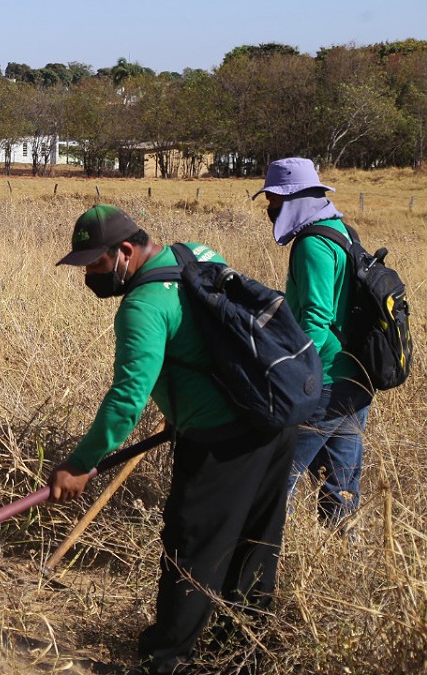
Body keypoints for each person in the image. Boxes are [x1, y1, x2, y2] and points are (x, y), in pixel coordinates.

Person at [50, 205, 297, 674]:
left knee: (192, 550)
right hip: (272, 422)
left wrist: (80, 463)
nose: (90, 277)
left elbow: (126, 399)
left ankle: (164, 661)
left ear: (125, 251)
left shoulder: (141, 308)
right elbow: (207, 335)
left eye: (96, 264)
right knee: (254, 547)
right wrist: (179, 411)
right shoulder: (195, 253)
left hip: (224, 442)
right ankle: (240, 655)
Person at [254, 157, 371, 529]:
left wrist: (290, 374)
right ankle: (343, 571)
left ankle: (258, 567)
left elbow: (316, 322)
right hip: (356, 378)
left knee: (273, 480)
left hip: (325, 382)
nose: (270, 209)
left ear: (293, 199)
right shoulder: (341, 231)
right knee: (340, 491)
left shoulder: (312, 244)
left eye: (273, 201)